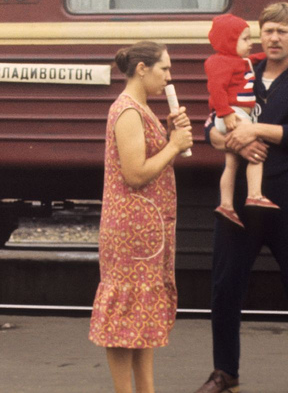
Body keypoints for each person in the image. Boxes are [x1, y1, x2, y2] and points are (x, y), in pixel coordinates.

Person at [195, 2, 288, 393]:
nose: (273, 38)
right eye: (268, 31)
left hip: (284, 194)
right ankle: (225, 372)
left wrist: (256, 131)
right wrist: (237, 143)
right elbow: (211, 123)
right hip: (238, 197)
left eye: (282, 31)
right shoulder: (241, 66)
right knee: (225, 284)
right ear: (259, 34)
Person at [89, 41, 193, 393]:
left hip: (145, 231)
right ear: (142, 69)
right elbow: (135, 173)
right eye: (164, 69)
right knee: (124, 315)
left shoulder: (143, 109)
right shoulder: (129, 111)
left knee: (141, 313)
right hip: (131, 232)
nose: (169, 77)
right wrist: (175, 145)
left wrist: (167, 132)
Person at [204, 14, 275, 227]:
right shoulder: (218, 62)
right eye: (244, 39)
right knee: (256, 151)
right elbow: (216, 89)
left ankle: (226, 206)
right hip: (234, 114)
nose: (250, 43)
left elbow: (249, 62)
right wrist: (226, 114)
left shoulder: (236, 60)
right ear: (228, 42)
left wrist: (265, 55)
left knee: (232, 163)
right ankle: (255, 194)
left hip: (234, 114)